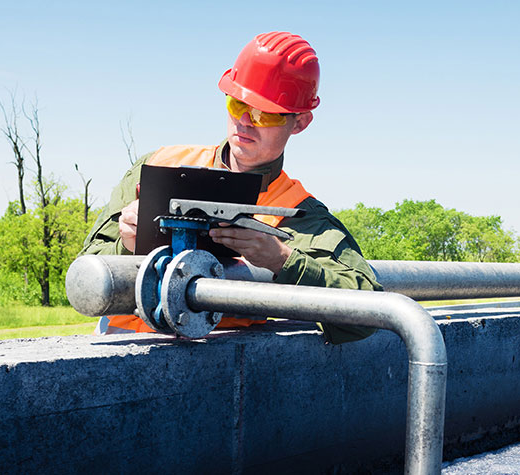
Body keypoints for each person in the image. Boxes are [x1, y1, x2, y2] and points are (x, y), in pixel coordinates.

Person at [80, 32, 380, 344]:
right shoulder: (159, 165)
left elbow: (367, 316)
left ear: (300, 122)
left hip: (214, 380)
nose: (245, 121)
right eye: (237, 104)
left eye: (264, 113)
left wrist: (282, 260)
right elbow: (84, 276)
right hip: (116, 367)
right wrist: (124, 246)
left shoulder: (300, 215)